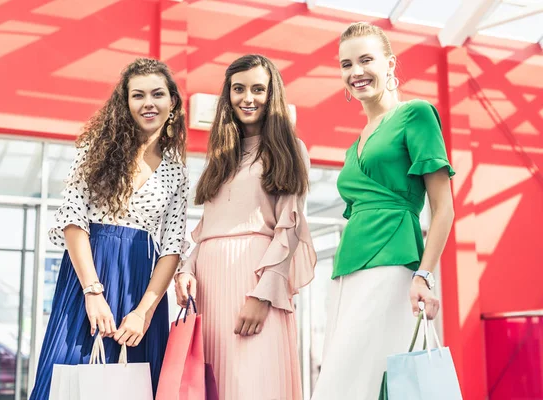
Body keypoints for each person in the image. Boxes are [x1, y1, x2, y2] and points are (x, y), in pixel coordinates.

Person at [29, 58, 189, 399]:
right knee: (69, 377)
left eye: (158, 94)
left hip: (141, 286)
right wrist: (92, 293)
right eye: (138, 95)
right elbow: (73, 219)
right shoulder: (93, 152)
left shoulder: (178, 173)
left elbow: (173, 246)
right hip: (88, 277)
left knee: (136, 383)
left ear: (172, 102)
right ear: (125, 102)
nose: (148, 103)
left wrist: (144, 313)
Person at [311, 22, 455, 400]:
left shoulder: (416, 115)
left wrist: (425, 274)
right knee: (340, 383)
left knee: (361, 383)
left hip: (393, 263)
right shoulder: (353, 145)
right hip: (345, 272)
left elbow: (444, 209)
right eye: (346, 64)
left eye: (366, 60)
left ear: (390, 64)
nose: (355, 72)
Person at [175, 54, 316, 400]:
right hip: (208, 288)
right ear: (228, 95)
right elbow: (207, 229)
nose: (247, 98)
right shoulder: (221, 156)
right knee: (214, 385)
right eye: (238, 89)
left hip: (253, 282)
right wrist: (186, 268)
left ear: (273, 95)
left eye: (258, 89)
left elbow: (290, 228)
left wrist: (262, 294)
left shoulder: (289, 149)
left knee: (253, 384)